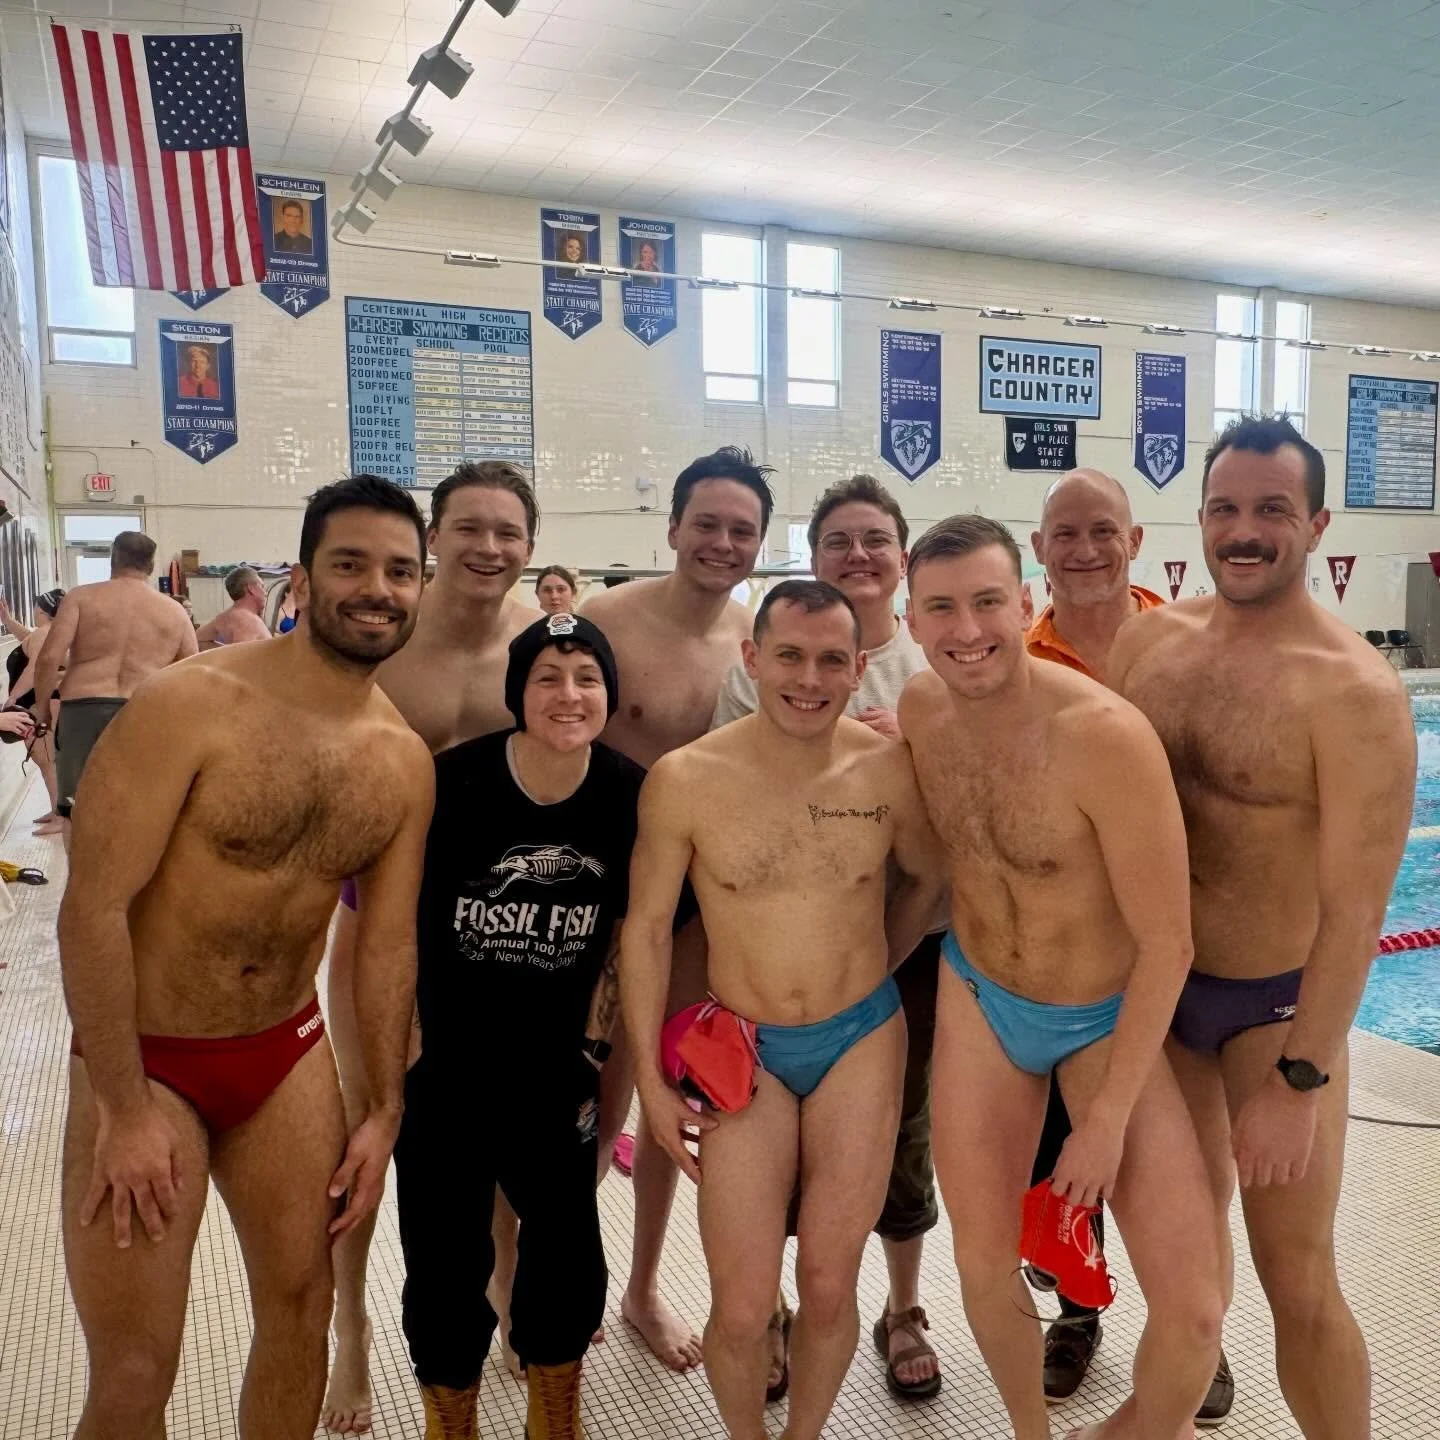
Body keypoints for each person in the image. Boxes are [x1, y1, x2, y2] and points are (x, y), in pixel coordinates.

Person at [58, 474, 433, 1440]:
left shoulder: (401, 762)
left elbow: (387, 943)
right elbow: (93, 910)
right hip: (146, 1055)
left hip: (283, 1051)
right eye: (350, 563)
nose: (376, 588)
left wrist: (386, 1104)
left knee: (300, 1315)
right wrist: (122, 1105)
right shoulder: (190, 706)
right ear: (302, 578)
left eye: (400, 570)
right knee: (138, 1369)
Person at [1109, 416, 1415, 1440]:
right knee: (1185, 1277)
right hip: (1159, 997)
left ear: (1317, 522)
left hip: (1271, 1015)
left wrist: (1302, 1079)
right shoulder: (1150, 640)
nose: (1245, 531)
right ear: (1199, 518)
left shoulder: (1354, 693)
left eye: (1273, 511)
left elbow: (1360, 909)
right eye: (1226, 509)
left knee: (1300, 1278)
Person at [901, 514, 1223, 1440]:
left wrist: (1107, 1122)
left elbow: (1170, 945)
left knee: (1195, 1309)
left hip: (1102, 1016)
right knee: (983, 1260)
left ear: (1026, 600)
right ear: (912, 622)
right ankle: (1030, 1433)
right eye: (943, 609)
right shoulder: (922, 711)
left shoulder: (1104, 737)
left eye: (988, 601)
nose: (968, 629)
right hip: (982, 995)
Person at [624, 579, 942, 1440]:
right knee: (740, 1306)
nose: (810, 677)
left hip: (861, 1042)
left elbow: (928, 878)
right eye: (790, 657)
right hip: (744, 1051)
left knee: (833, 1287)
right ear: (752, 659)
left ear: (859, 668)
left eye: (832, 660)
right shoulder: (687, 780)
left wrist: (882, 961)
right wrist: (650, 1085)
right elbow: (648, 931)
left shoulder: (886, 770)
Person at [712, 473, 945, 1401]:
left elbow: (952, 835)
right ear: (814, 559)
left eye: (875, 539)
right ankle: (766, 1310)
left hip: (911, 948)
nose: (859, 555)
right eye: (839, 540)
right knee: (765, 1164)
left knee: (903, 1135)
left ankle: (902, 1308)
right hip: (782, 959)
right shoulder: (758, 673)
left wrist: (914, 748)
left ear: (901, 553)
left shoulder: (934, 670)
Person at [321, 459, 542, 1432]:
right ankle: (352, 1340)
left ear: (530, 543)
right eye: (470, 529)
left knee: (501, 1146)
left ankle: (501, 1300)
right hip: (377, 928)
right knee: (366, 1137)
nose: (489, 547)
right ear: (436, 537)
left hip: (493, 939)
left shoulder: (540, 647)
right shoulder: (379, 645)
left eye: (508, 531)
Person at [398, 612, 639, 1440]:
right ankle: (451, 1415)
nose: (568, 695)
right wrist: (396, 1053)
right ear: (517, 693)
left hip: (557, 1073)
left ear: (610, 694)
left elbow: (626, 946)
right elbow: (388, 923)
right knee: (441, 1258)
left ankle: (555, 1407)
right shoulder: (449, 784)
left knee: (568, 1253)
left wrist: (605, 1070)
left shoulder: (629, 796)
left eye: (587, 678)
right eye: (548, 677)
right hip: (447, 1070)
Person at [1026, 469, 1235, 1417]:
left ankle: (1195, 1326)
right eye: (1064, 532)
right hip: (1070, 953)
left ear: (1137, 539)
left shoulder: (1189, 645)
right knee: (1063, 1149)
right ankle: (1078, 1310)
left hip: (1177, 941)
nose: (1084, 549)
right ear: (1040, 549)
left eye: (1102, 530)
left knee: (1191, 1153)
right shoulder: (1017, 660)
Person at [582, 444, 771, 1371]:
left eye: (742, 530)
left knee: (674, 1093)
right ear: (673, 528)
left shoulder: (752, 640)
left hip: (698, 904)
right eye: (708, 523)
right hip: (598, 892)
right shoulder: (602, 626)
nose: (723, 542)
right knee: (584, 1101)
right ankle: (551, 1268)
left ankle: (643, 1286)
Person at [34, 533, 196, 830]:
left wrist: (41, 708)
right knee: (138, 806)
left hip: (83, 708)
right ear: (150, 565)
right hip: (144, 709)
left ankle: (82, 876)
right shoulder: (174, 611)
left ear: (113, 559)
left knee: (76, 808)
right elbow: (190, 672)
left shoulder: (81, 598)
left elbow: (48, 658)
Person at [2, 586, 67, 835]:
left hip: (41, 702)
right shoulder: (46, 633)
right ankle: (57, 811)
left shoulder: (44, 634)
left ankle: (60, 818)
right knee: (46, 759)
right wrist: (8, 621)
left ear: (40, 609)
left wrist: (13, 697)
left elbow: (36, 670)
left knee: (47, 759)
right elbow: (26, 641)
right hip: (46, 701)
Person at [196, 567, 271, 651]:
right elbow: (242, 660)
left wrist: (225, 652)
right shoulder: (247, 620)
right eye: (262, 586)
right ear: (251, 589)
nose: (265, 592)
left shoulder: (223, 617)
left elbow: (198, 639)